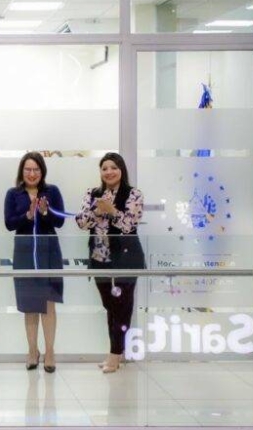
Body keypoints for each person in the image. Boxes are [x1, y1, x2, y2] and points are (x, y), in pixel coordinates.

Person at [75, 152, 144, 373]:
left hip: (126, 259)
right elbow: (81, 222)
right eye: (104, 168)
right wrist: (98, 209)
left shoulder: (133, 194)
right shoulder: (92, 194)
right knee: (110, 306)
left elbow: (129, 225)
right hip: (99, 259)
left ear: (121, 170)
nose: (109, 172)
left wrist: (112, 210)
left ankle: (114, 356)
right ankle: (117, 352)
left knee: (122, 307)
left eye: (113, 167)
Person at [4, 152, 65, 373]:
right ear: (22, 171)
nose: (32, 174)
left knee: (48, 304)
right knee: (30, 305)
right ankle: (32, 351)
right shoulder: (13, 194)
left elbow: (59, 221)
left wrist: (45, 212)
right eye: (28, 169)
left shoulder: (52, 191)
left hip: (49, 252)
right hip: (24, 252)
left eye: (36, 170)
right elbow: (9, 224)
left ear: (42, 171)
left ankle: (50, 351)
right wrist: (27, 217)